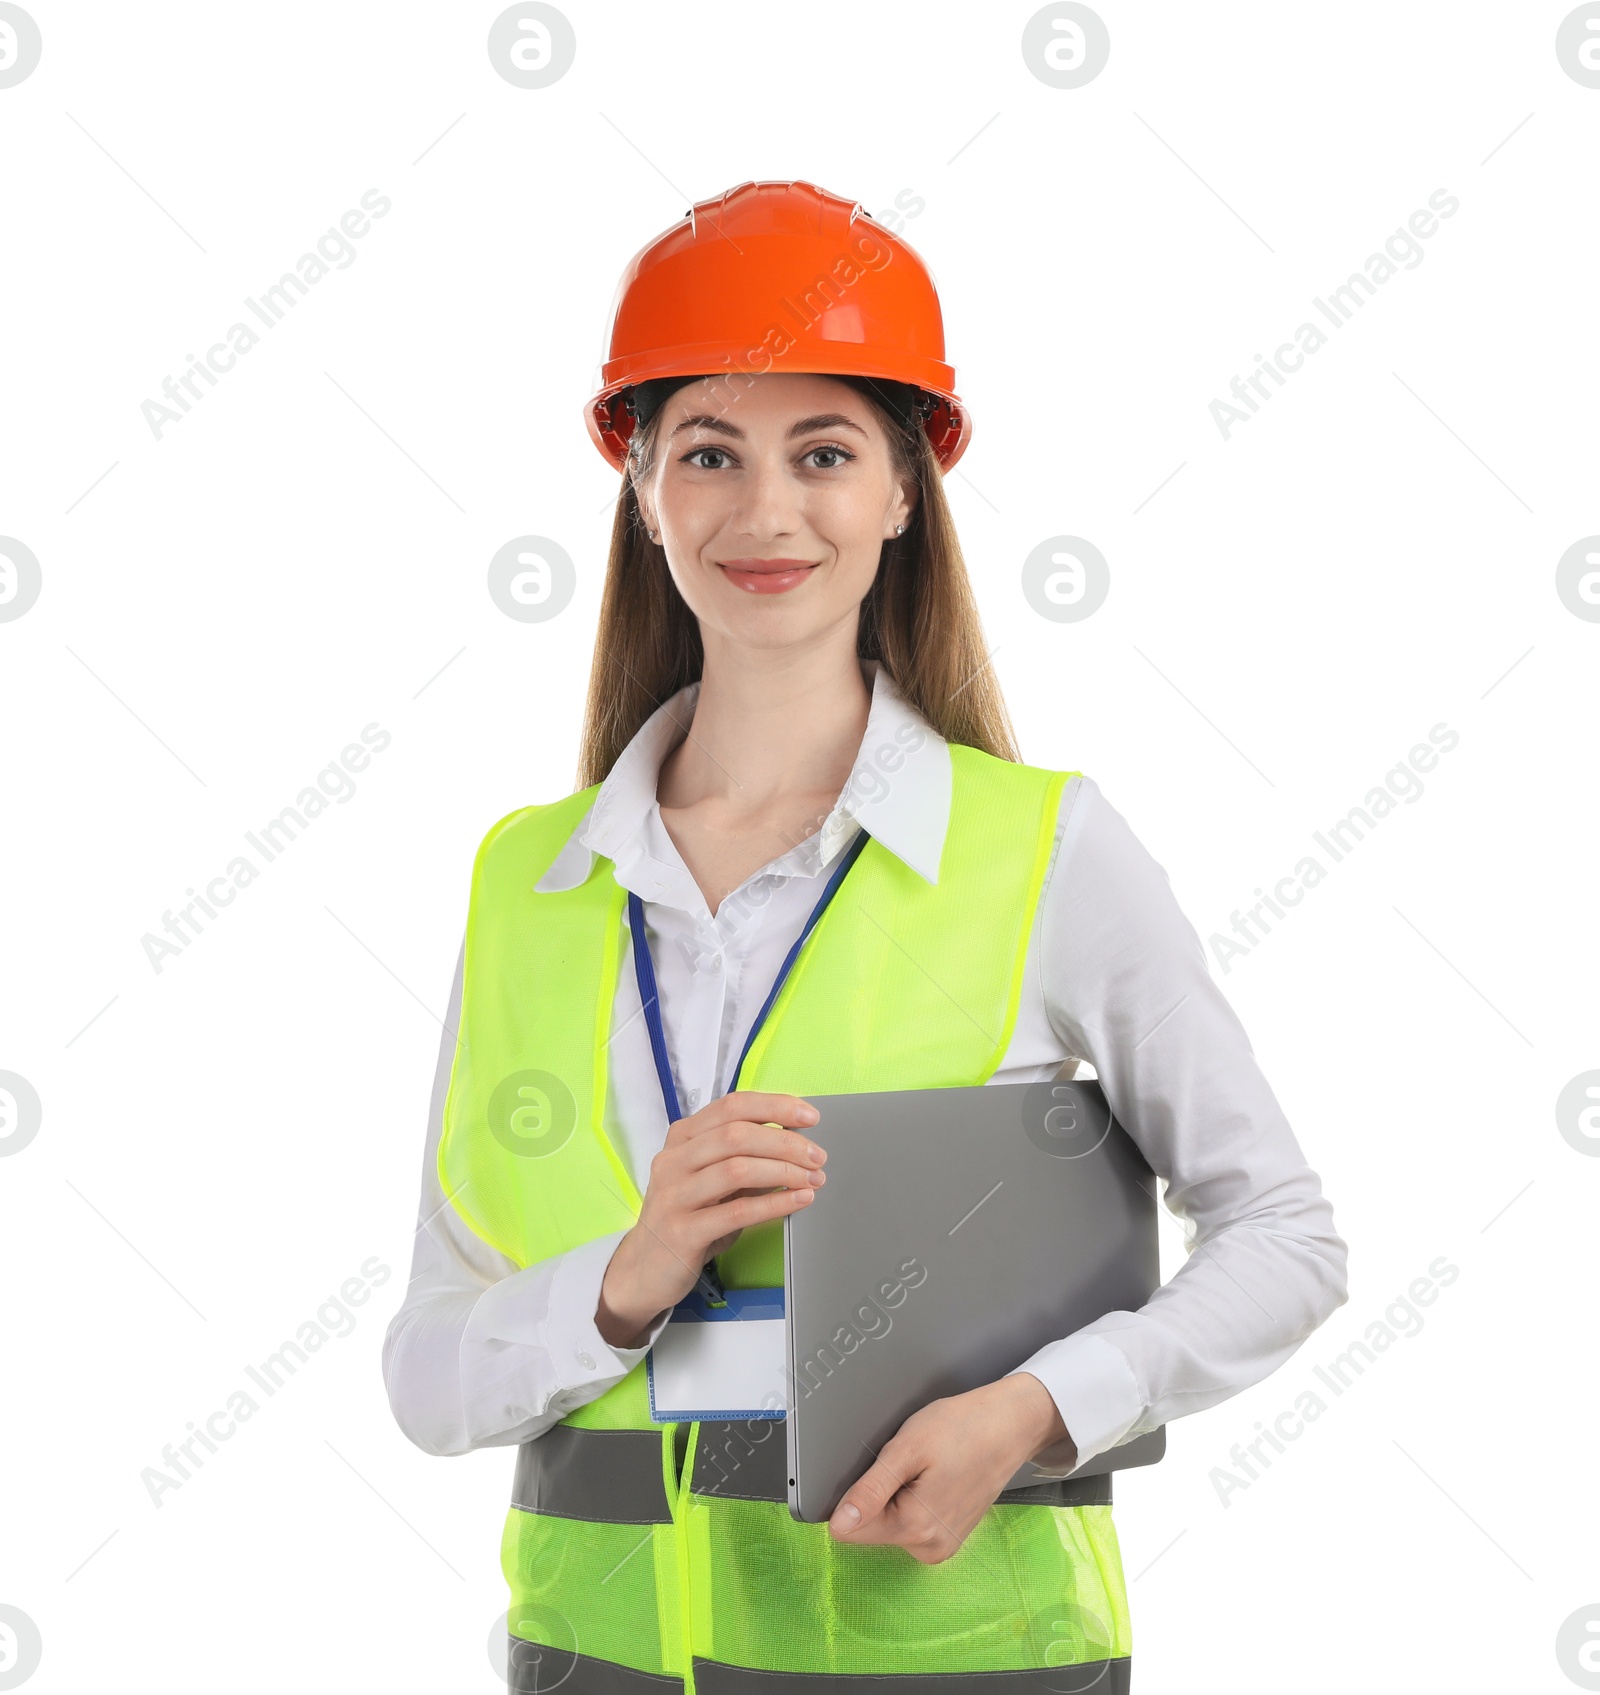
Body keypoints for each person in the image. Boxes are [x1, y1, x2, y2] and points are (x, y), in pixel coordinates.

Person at [382, 180, 1349, 1693]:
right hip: (594, 1667)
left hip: (958, 1663)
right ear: (643, 489)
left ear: (904, 490)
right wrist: (622, 1284)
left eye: (822, 453)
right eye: (708, 452)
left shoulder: (1043, 851)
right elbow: (431, 1377)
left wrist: (1035, 1410)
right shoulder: (530, 880)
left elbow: (1286, 1234)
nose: (764, 512)